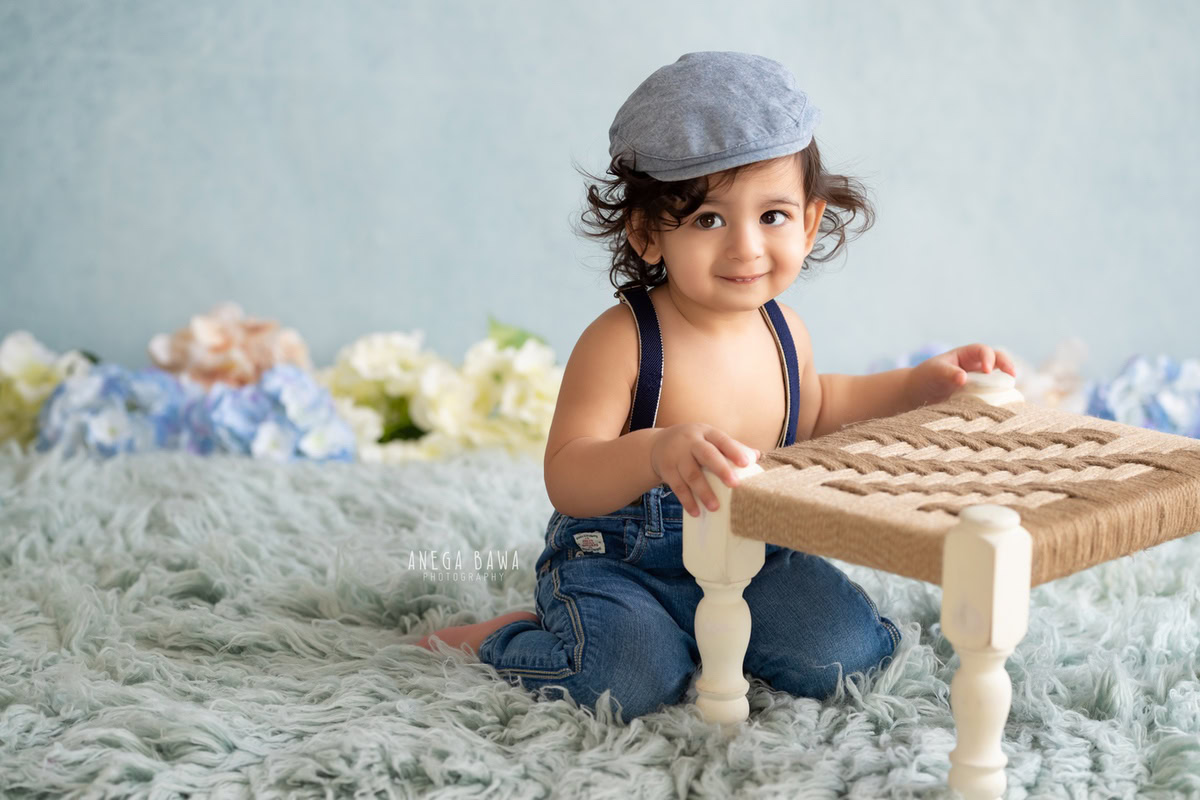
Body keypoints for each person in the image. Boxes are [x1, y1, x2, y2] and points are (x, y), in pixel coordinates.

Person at [418, 51, 1017, 722]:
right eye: (708, 219)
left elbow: (817, 408)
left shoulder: (785, 330)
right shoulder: (624, 340)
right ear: (647, 233)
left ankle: (710, 638)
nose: (745, 248)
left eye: (772, 216)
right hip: (626, 565)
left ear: (811, 221)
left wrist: (916, 386)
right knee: (628, 681)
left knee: (849, 654)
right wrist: (654, 451)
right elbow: (568, 474)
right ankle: (508, 637)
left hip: (760, 555)